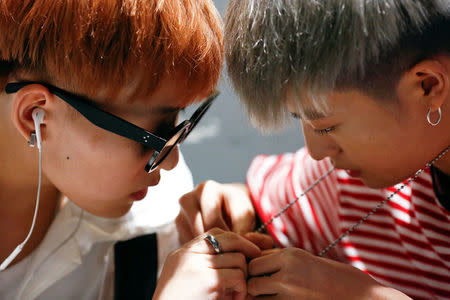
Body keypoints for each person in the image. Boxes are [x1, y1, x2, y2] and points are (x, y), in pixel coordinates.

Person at [176, 0, 450, 299]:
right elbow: (264, 201)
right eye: (300, 119)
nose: (316, 152)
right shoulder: (360, 178)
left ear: (429, 86)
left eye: (326, 126)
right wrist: (233, 207)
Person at [0, 1, 270, 299]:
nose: (170, 163)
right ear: (35, 116)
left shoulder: (157, 213)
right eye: (152, 136)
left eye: (178, 125)